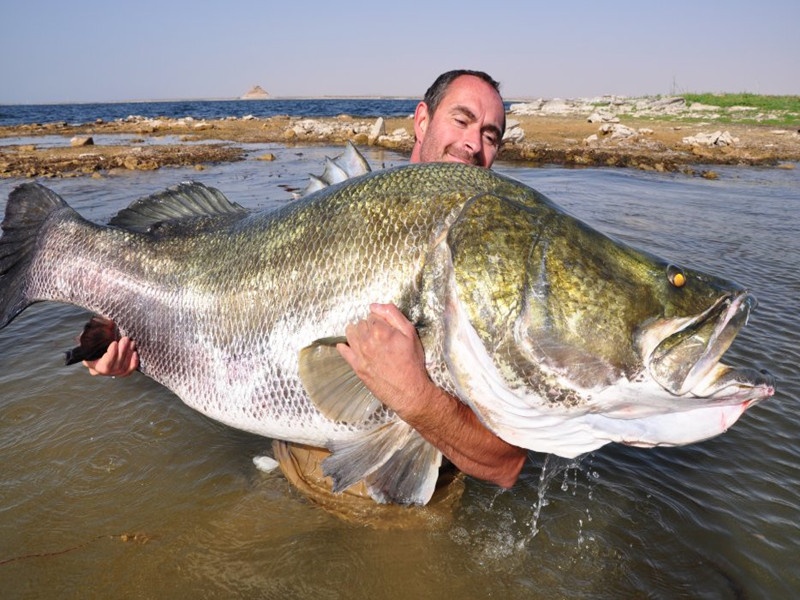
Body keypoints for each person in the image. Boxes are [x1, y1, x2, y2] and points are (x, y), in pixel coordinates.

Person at [83, 70, 527, 508]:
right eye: (462, 120)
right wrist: (113, 333)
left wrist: (417, 397)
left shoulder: (490, 258)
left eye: (491, 135)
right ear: (423, 121)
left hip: (412, 498)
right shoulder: (343, 211)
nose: (473, 145)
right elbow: (224, 291)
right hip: (298, 465)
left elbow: (505, 464)